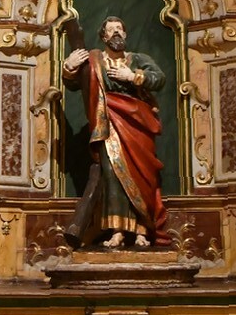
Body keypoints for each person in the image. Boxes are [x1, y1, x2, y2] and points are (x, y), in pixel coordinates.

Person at [63, 16, 169, 249]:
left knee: (143, 177)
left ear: (126, 35)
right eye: (111, 31)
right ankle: (118, 231)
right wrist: (70, 66)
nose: (116, 33)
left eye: (120, 29)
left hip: (138, 125)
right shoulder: (94, 60)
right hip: (108, 124)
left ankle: (143, 230)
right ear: (103, 37)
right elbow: (74, 83)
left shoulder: (138, 59)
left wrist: (133, 77)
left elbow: (159, 79)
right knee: (113, 177)